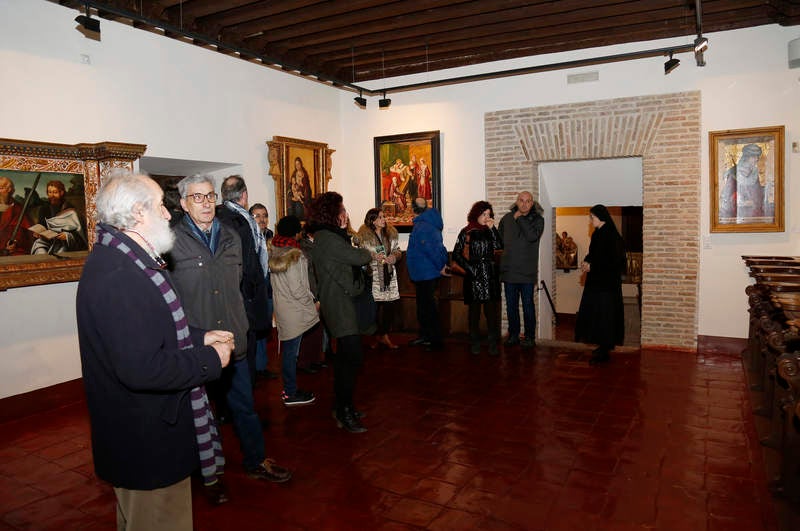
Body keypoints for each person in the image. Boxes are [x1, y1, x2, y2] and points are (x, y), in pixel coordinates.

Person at [76, 173, 234, 530]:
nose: (167, 214)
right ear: (137, 213)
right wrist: (210, 359)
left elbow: (156, 331)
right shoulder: (120, 274)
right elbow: (142, 368)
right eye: (161, 205)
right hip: (145, 438)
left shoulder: (127, 260)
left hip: (143, 432)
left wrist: (200, 337)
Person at [169, 174, 292, 489]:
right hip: (196, 344)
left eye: (210, 196)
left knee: (244, 407)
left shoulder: (231, 236)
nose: (206, 203)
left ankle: (256, 460)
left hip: (233, 336)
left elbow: (241, 285)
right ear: (183, 203)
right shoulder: (169, 241)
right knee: (196, 414)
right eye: (197, 197)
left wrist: (245, 325)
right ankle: (201, 472)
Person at [307, 192, 372, 433]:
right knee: (350, 359)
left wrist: (346, 232)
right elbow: (360, 256)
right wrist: (359, 248)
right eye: (341, 209)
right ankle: (344, 412)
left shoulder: (332, 236)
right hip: (338, 303)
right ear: (332, 212)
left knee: (348, 358)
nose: (345, 213)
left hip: (343, 301)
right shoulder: (327, 238)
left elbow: (351, 252)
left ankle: (343, 405)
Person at [216, 176, 270, 388]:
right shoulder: (241, 221)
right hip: (244, 296)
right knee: (243, 352)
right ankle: (242, 408)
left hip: (231, 294)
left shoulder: (219, 216)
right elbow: (248, 262)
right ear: (244, 195)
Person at [269, 215, 319, 407]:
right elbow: (297, 288)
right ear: (296, 233)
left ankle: (288, 389)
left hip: (282, 308)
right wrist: (313, 300)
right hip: (295, 310)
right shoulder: (295, 255)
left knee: (288, 352)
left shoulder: (274, 249)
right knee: (291, 353)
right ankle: (290, 392)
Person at [575, 204, 626, 365]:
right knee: (597, 315)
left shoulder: (612, 236)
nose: (591, 221)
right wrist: (587, 261)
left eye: (592, 217)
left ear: (601, 217)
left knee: (605, 317)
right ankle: (602, 346)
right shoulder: (597, 234)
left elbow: (614, 262)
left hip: (607, 285)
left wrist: (593, 266)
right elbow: (594, 254)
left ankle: (604, 351)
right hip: (596, 283)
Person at [453, 201, 503, 355]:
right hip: (473, 277)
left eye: (489, 214)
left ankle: (493, 342)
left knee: (491, 313)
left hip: (490, 277)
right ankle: (474, 341)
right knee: (473, 313)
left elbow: (500, 246)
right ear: (476, 214)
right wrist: (470, 270)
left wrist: (493, 229)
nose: (486, 217)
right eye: (484, 214)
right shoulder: (466, 231)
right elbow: (456, 254)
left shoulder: (491, 231)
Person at [498, 191, 544, 348]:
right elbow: (499, 242)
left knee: (528, 306)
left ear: (532, 203)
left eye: (528, 201)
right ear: (516, 202)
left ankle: (530, 337)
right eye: (521, 200)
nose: (524, 204)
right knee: (511, 306)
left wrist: (520, 219)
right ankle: (513, 335)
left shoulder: (538, 220)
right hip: (509, 271)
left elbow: (532, 236)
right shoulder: (506, 219)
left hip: (527, 272)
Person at [406, 197, 449, 351]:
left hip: (426, 273)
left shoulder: (423, 226)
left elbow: (433, 250)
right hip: (423, 273)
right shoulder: (425, 223)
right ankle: (426, 336)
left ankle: (435, 341)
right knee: (424, 307)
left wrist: (441, 266)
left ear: (413, 209)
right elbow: (438, 247)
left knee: (428, 308)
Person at [358, 208, 402, 350]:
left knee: (390, 306)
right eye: (381, 217)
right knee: (374, 308)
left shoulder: (391, 233)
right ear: (373, 220)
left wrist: (394, 257)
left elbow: (398, 250)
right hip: (373, 275)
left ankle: (384, 334)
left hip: (388, 273)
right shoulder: (363, 236)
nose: (384, 220)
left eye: (384, 217)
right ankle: (375, 335)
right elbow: (359, 253)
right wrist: (371, 256)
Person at [249, 202, 276, 380]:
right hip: (254, 290)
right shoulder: (249, 238)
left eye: (264, 215)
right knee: (256, 331)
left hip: (269, 288)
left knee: (265, 329)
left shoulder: (270, 237)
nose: (262, 219)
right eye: (257, 216)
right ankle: (255, 369)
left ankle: (262, 366)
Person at [30, 179, 87, 255]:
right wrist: (37, 232)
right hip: (47, 241)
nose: (52, 195)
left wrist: (67, 236)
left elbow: (79, 233)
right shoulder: (44, 209)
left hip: (63, 243)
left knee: (60, 254)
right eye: (50, 192)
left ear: (61, 192)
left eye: (55, 192)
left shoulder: (70, 210)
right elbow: (42, 226)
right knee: (39, 250)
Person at [719, 143, 765, 220]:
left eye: (757, 156)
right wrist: (742, 201)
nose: (757, 159)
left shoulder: (754, 173)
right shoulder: (733, 173)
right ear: (746, 157)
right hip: (738, 213)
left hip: (754, 215)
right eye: (754, 156)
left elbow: (758, 194)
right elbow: (726, 198)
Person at [0, 177, 33, 255]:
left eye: (1, 188)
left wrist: (15, 242)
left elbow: (26, 231)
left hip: (14, 248)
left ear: (9, 190)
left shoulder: (18, 208)